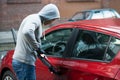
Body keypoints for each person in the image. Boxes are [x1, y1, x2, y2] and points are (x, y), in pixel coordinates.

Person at [12, 3, 60, 80]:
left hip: (23, 62)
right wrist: (37, 48)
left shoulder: (35, 20)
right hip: (24, 63)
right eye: (53, 19)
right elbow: (27, 31)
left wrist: (49, 66)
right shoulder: (35, 19)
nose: (52, 22)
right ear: (49, 15)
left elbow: (39, 52)